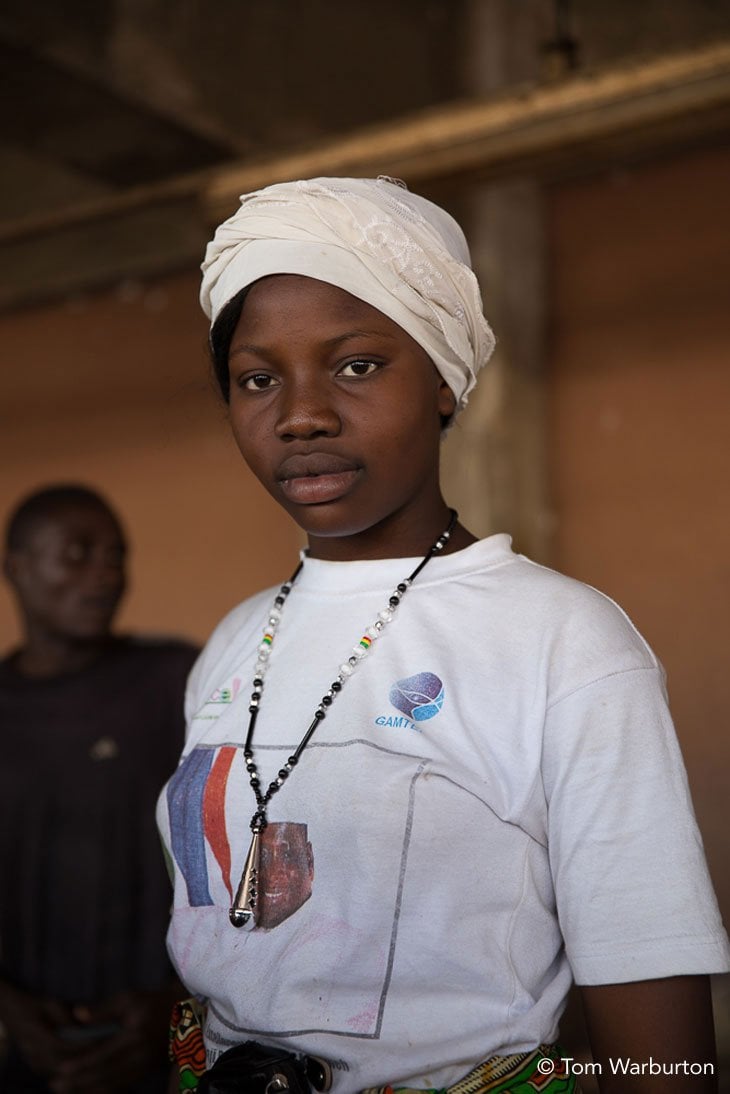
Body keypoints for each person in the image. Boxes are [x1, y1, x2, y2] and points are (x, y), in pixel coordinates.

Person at [157, 177, 730, 1093]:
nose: (300, 414)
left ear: (445, 385)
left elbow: (658, 1037)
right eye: (258, 379)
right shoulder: (235, 642)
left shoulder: (562, 641)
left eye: (356, 366)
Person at [0, 484, 199, 1093]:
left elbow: (239, 847)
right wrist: (9, 1011)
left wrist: (177, 1007)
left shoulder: (174, 681)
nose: (105, 574)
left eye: (116, 555)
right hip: (25, 1053)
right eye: (78, 553)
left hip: (164, 1043)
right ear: (15, 567)